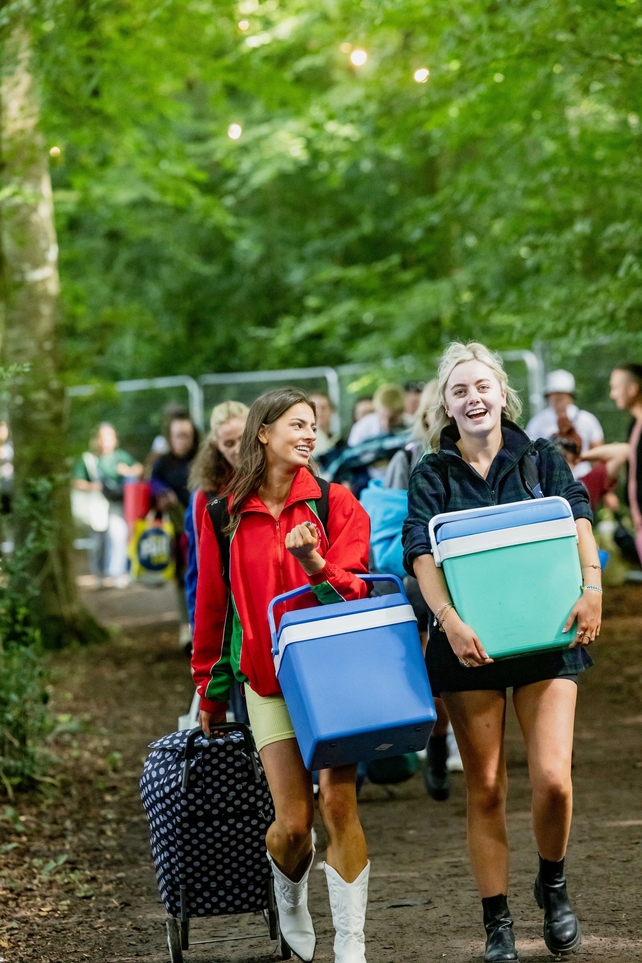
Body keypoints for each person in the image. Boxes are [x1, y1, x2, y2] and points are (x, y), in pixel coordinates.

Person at [403, 342, 602, 963]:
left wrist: (592, 587)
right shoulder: (431, 473)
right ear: (446, 404)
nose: (474, 398)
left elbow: (578, 515)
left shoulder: (540, 459)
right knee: (485, 786)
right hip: (470, 648)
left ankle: (554, 884)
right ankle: (497, 921)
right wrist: (449, 622)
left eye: (482, 386)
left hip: (548, 636)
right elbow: (419, 553)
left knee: (553, 782)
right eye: (460, 390)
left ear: (502, 393)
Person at [192, 387, 372, 963]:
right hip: (266, 682)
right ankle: (289, 895)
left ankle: (352, 942)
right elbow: (215, 613)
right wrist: (211, 693)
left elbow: (357, 590)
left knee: (339, 804)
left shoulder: (334, 502)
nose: (309, 434)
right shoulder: (223, 513)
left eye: (314, 426)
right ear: (262, 433)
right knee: (293, 826)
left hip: (332, 676)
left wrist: (316, 564)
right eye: (296, 424)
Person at [382, 381, 463, 797]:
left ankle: (439, 742)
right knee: (428, 671)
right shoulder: (407, 457)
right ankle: (432, 741)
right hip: (415, 581)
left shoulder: (468, 457)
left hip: (462, 579)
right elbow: (390, 517)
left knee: (448, 672)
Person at [184, 400, 249, 641]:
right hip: (234, 616)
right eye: (229, 443)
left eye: (243, 438)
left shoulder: (280, 477)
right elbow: (201, 573)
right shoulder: (207, 495)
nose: (239, 449)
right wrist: (202, 635)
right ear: (216, 446)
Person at [151, 411, 200, 645]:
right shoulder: (163, 462)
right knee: (183, 577)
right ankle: (186, 628)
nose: (183, 440)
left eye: (187, 436)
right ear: (170, 437)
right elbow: (152, 482)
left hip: (203, 528)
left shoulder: (203, 458)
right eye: (178, 436)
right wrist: (162, 493)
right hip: (178, 530)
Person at [73, 423, 143, 586]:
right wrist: (92, 487)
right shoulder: (89, 459)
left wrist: (128, 471)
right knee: (98, 542)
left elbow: (139, 468)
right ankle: (99, 574)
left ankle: (116, 573)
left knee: (118, 535)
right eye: (102, 437)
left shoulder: (120, 456)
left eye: (109, 437)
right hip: (97, 506)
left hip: (117, 503)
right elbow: (77, 481)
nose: (105, 441)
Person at [526, 369, 603, 478]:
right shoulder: (537, 422)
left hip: (584, 479)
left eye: (563, 395)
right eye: (555, 395)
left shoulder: (587, 419)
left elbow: (598, 455)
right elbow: (531, 456)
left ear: (571, 397)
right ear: (548, 396)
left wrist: (596, 483)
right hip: (551, 480)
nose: (559, 400)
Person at [609, 362, 642, 562]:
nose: (613, 394)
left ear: (632, 388)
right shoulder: (635, 426)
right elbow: (625, 452)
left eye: (615, 387)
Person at [309, 392, 340, 458]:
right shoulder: (303, 441)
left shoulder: (339, 442)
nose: (319, 412)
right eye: (315, 408)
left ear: (332, 411)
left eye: (323, 408)